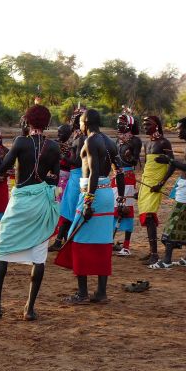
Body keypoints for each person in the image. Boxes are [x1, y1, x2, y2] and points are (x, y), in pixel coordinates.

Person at [0, 104, 60, 320]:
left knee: (2, 250)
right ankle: (29, 309)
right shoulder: (53, 147)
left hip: (20, 203)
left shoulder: (21, 141)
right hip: (41, 203)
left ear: (28, 122)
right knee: (39, 255)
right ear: (47, 124)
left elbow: (0, 169)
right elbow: (55, 178)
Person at [56, 108, 124, 305]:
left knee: (78, 239)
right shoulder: (110, 142)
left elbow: (93, 172)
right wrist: (120, 198)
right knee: (103, 241)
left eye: (80, 123)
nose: (79, 126)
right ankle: (101, 293)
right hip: (106, 194)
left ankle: (82, 294)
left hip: (91, 193)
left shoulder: (90, 141)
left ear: (85, 123)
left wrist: (88, 201)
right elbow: (119, 171)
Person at [149, 117, 186, 269]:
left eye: (179, 128)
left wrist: (169, 160)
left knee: (173, 223)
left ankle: (166, 260)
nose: (177, 131)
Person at [136, 115, 174, 265]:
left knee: (150, 216)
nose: (145, 127)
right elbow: (147, 166)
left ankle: (155, 254)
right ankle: (152, 252)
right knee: (146, 217)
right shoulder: (146, 144)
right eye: (144, 125)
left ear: (156, 125)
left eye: (148, 124)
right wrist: (141, 188)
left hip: (157, 184)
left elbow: (173, 164)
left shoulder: (164, 142)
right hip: (146, 183)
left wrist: (161, 183)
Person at [50, 108, 86, 250]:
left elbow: (77, 162)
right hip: (71, 177)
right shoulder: (77, 138)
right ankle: (63, 240)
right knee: (65, 209)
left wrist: (62, 156)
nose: (71, 123)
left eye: (74, 120)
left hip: (74, 177)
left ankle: (62, 241)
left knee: (67, 210)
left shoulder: (80, 139)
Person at [112, 108, 142, 256]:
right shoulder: (118, 140)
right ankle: (110, 241)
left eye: (122, 124)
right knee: (114, 208)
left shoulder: (135, 140)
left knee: (126, 209)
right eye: (118, 123)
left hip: (128, 176)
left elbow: (135, 161)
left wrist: (129, 152)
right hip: (116, 176)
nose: (119, 126)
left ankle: (126, 246)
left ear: (129, 125)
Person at [55, 124, 73, 203]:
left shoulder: (71, 146)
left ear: (67, 134)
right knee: (57, 197)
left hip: (65, 176)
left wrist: (62, 157)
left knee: (60, 198)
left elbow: (71, 163)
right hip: (57, 176)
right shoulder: (56, 144)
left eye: (60, 133)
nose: (58, 135)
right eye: (58, 132)